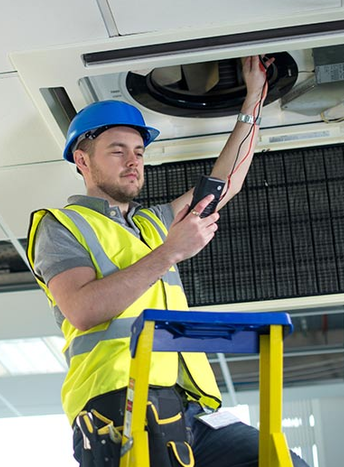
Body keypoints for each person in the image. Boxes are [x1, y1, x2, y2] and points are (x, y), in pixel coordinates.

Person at [27, 56, 309, 467]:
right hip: (118, 400)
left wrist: (254, 99)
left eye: (139, 152)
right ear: (83, 161)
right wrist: (170, 252)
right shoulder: (61, 225)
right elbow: (83, 310)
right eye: (117, 151)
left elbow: (223, 185)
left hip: (192, 403)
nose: (133, 162)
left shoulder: (153, 222)